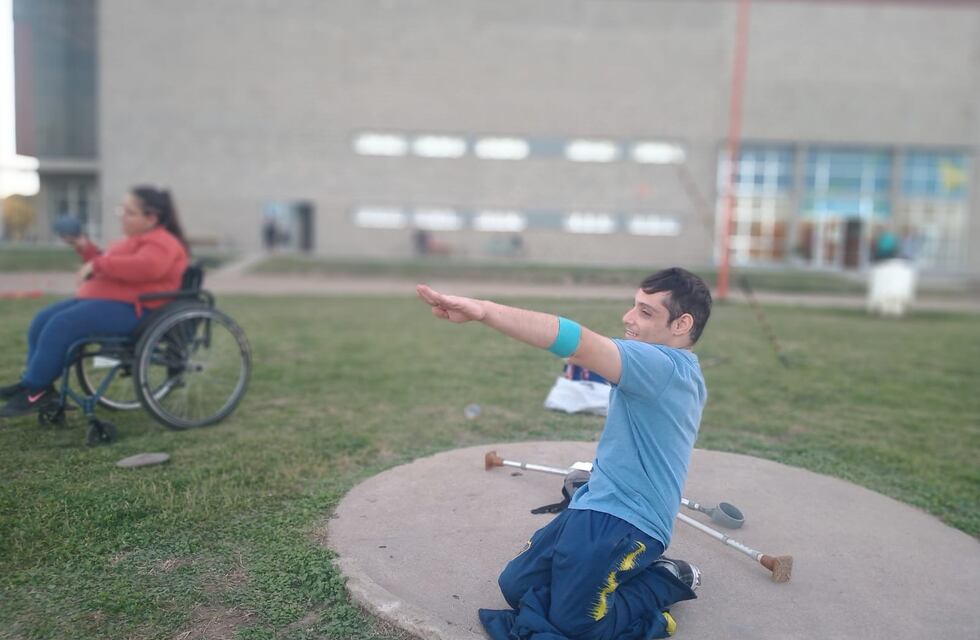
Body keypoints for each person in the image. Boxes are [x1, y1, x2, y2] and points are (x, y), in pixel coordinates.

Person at [416, 267, 712, 640]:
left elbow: (575, 340)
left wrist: (484, 311)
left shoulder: (661, 366)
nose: (628, 317)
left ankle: (664, 579)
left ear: (682, 324)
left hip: (630, 522)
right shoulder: (661, 364)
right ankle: (598, 585)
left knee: (580, 625)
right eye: (634, 306)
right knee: (516, 586)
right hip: (594, 504)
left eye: (645, 312)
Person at [0, 186, 189, 419]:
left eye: (129, 212)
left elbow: (145, 267)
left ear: (151, 218)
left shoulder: (163, 242)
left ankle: (35, 389)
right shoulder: (134, 240)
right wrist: (83, 246)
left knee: (62, 324)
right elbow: (109, 263)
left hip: (137, 310)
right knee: (42, 320)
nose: (122, 216)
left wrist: (97, 265)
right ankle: (37, 385)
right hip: (110, 301)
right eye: (121, 210)